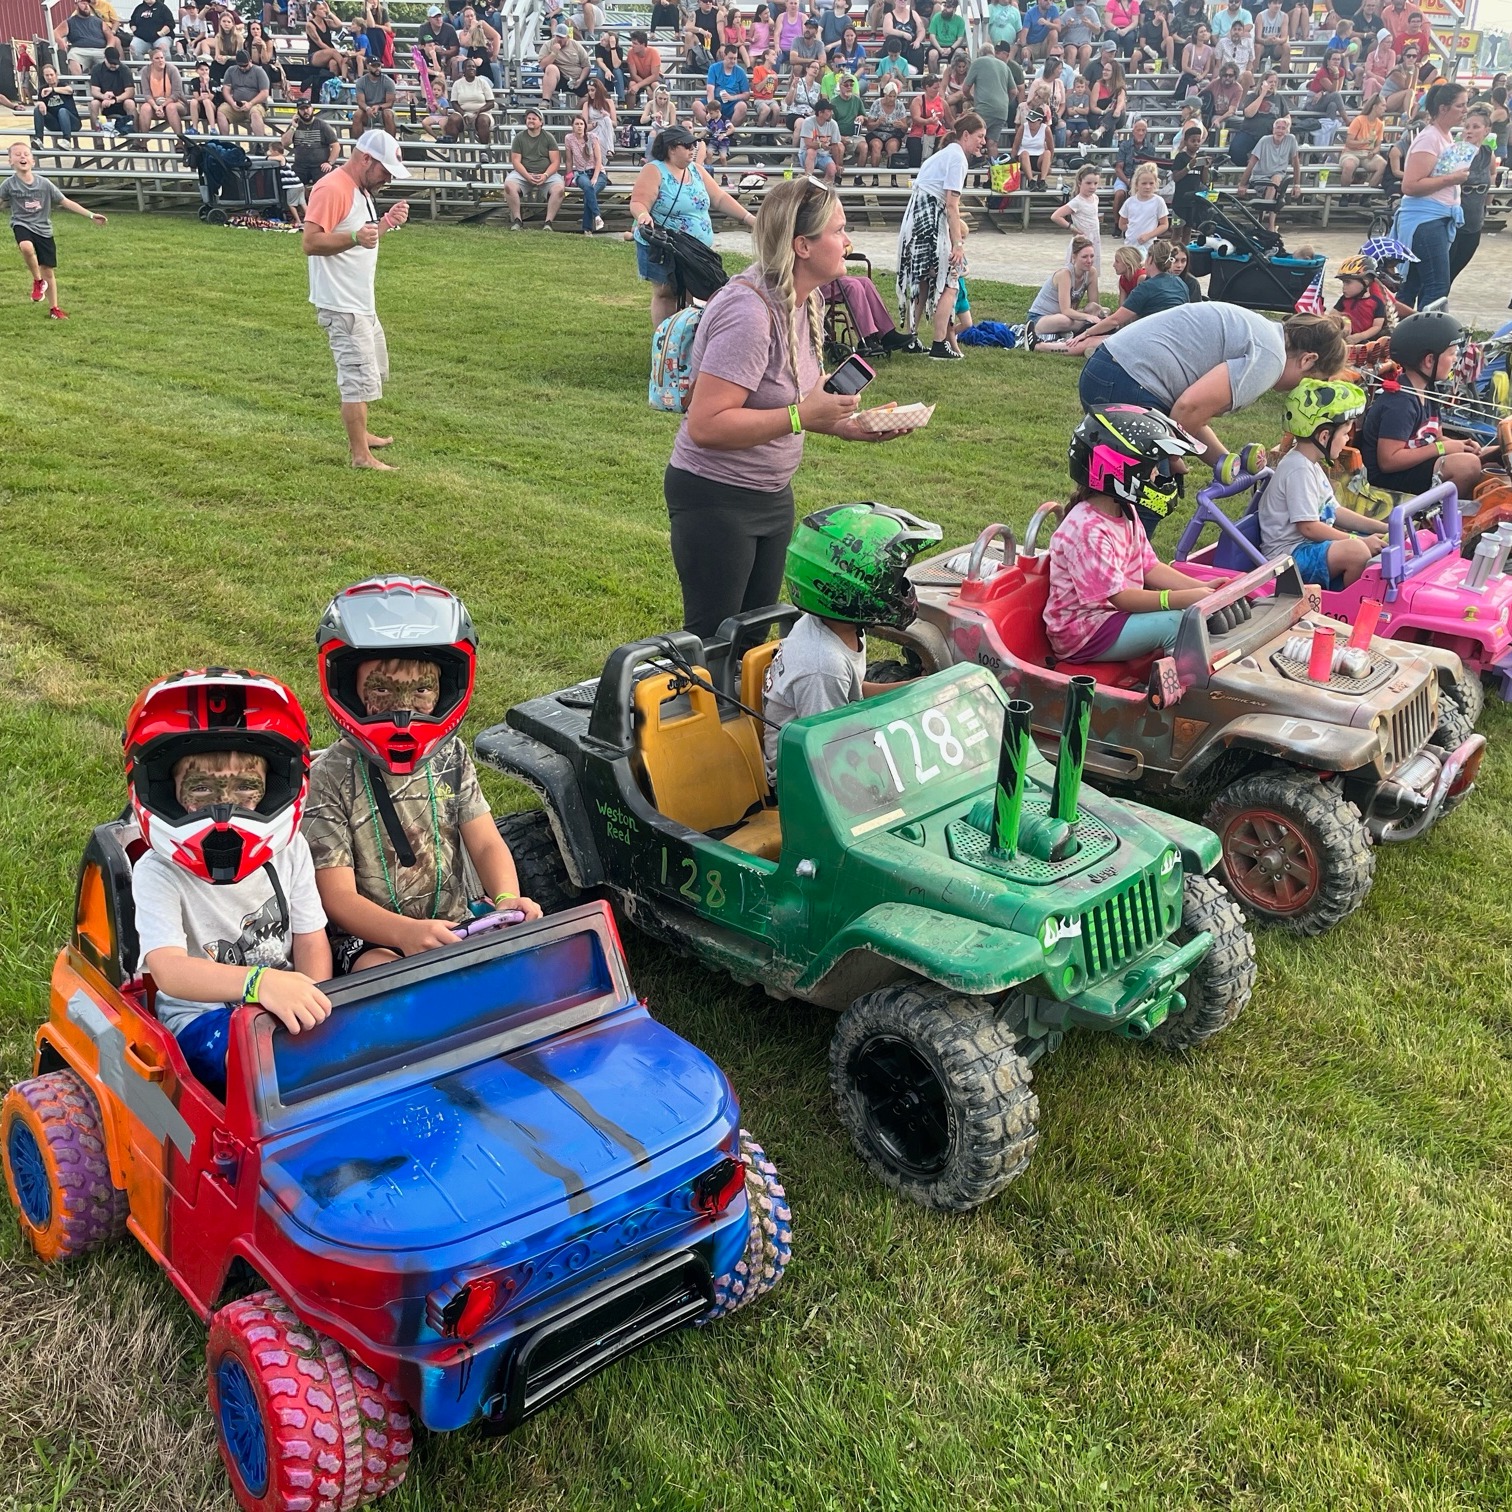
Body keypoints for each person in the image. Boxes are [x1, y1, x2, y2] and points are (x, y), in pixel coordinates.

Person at [665, 178, 909, 639]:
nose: (848, 240)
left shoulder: (804, 300)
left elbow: (793, 395)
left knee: (754, 638)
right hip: (715, 497)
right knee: (714, 641)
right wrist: (802, 417)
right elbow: (706, 425)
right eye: (838, 230)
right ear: (802, 246)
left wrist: (844, 424)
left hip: (771, 494)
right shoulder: (749, 313)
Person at [303, 579, 541, 976]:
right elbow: (337, 897)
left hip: (452, 923)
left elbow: (484, 842)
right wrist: (405, 934)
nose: (402, 709)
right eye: (381, 689)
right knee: (382, 976)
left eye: (421, 690)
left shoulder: (451, 755)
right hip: (369, 939)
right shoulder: (328, 777)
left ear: (444, 690)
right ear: (347, 685)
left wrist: (506, 900)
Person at [123, 670, 332, 1099]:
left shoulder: (291, 851)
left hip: (279, 1003)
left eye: (246, 787)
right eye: (201, 788)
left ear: (274, 787)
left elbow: (312, 940)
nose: (223, 807)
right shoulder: (157, 871)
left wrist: (316, 1001)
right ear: (167, 790)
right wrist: (260, 984)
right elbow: (170, 972)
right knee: (264, 1066)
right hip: (199, 1022)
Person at [1079, 306, 1349, 526]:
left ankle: (1099, 569)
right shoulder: (1271, 359)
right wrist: (1173, 457)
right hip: (1127, 379)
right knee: (1148, 501)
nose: (1304, 387)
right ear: (1307, 360)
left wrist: (1227, 463)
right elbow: (1187, 410)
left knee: (1115, 493)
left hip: (1116, 370)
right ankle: (1123, 583)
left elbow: (1193, 416)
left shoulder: (1267, 335)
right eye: (1312, 379)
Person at [762, 503, 941, 782]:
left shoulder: (841, 628)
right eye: (892, 580)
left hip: (830, 747)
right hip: (802, 780)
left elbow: (852, 692)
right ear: (850, 589)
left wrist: (911, 690)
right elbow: (826, 749)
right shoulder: (824, 664)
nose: (902, 589)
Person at [1046, 407, 1212, 662]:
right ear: (1120, 469)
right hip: (1083, 633)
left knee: (1199, 616)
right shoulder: (1087, 530)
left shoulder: (1125, 510)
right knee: (1177, 624)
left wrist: (1205, 589)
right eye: (1151, 467)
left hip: (1110, 619)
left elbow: (1149, 566)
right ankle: (1176, 695)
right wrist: (1181, 599)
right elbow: (1120, 597)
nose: (1157, 474)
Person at [302, 129, 410, 469]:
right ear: (366, 159)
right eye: (385, 171)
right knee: (355, 378)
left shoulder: (360, 188)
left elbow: (362, 235)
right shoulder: (333, 187)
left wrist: (387, 222)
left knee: (368, 372)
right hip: (342, 303)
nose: (388, 179)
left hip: (360, 300)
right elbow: (311, 242)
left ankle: (362, 435)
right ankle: (360, 455)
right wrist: (352, 236)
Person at [1260, 379, 1385, 587]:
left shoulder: (1310, 464)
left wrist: (1383, 527)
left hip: (1307, 548)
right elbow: (1309, 528)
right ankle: (1343, 609)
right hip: (1287, 559)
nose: (1347, 440)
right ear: (1325, 436)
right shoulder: (1298, 469)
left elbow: (1334, 511)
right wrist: (1358, 541)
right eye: (1345, 434)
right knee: (1357, 552)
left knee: (1364, 544)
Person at [630, 125, 754, 326]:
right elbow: (638, 202)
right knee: (665, 293)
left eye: (694, 144)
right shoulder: (654, 170)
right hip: (665, 246)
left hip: (696, 250)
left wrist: (749, 218)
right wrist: (643, 215)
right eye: (687, 145)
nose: (692, 149)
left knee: (698, 293)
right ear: (671, 148)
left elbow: (719, 198)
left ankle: (689, 340)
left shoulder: (696, 170)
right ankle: (665, 345)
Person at [1360, 312, 1491, 499]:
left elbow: (1434, 438)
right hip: (1387, 479)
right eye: (1452, 354)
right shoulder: (1401, 402)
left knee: (1490, 460)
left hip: (1413, 467)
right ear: (1429, 360)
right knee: (1467, 466)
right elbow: (1388, 461)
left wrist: (1459, 445)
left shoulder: (1428, 390)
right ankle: (1437, 519)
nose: (1455, 360)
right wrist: (1442, 449)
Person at [897, 115, 990, 360]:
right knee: (950, 280)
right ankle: (939, 345)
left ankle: (911, 338)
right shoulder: (958, 158)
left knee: (924, 282)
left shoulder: (946, 153)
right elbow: (951, 204)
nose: (983, 141)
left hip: (916, 218)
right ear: (966, 135)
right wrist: (958, 244)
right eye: (980, 136)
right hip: (928, 220)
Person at [2, 142, 106, 321]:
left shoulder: (44, 183)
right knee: (26, 247)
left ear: (33, 160)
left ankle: (54, 308)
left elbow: (65, 201)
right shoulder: (9, 185)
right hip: (22, 225)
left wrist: (90, 215)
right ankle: (37, 281)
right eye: (17, 154)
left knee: (48, 270)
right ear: (10, 161)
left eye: (26, 154)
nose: (22, 157)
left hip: (43, 230)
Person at [1393, 81, 1468, 309]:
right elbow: (1410, 185)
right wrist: (1452, 179)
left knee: (1413, 284)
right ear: (1443, 108)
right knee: (1436, 286)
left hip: (1435, 217)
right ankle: (1425, 338)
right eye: (1460, 105)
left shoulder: (1444, 136)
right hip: (1425, 220)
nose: (1465, 110)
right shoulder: (1430, 138)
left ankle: (1397, 335)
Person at [1062, 238, 1187, 354]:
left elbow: (1115, 319)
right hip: (1178, 339)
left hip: (1153, 340)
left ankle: (1044, 345)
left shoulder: (1146, 286)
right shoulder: (1180, 283)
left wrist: (1086, 334)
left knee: (1090, 341)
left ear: (1150, 260)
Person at [1448, 103, 1497, 291]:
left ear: (1486, 130)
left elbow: (1492, 175)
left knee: (1454, 272)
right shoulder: (1456, 152)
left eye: (1475, 127)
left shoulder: (1487, 154)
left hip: (1475, 223)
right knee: (1442, 275)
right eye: (1467, 127)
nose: (1469, 131)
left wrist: (1487, 198)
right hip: (1454, 222)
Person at [1024, 234, 1105, 346]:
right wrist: (1088, 317)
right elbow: (1066, 310)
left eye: (1092, 256)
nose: (1089, 260)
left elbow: (1094, 304)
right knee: (1065, 320)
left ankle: (1086, 328)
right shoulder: (1065, 274)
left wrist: (1096, 314)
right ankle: (1088, 329)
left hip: (1069, 316)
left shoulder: (1091, 273)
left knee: (1095, 308)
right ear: (1074, 257)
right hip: (1040, 318)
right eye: (1084, 257)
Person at [505, 105, 564, 231]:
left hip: (546, 174)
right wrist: (527, 176)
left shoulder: (548, 137)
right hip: (523, 173)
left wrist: (545, 175)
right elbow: (516, 161)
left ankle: (548, 222)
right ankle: (517, 220)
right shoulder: (519, 137)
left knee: (559, 189)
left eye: (534, 118)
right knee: (509, 186)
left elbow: (555, 162)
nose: (531, 120)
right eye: (529, 118)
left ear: (541, 122)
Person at [1238, 112, 1300, 231]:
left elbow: (1296, 162)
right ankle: (1269, 224)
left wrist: (1297, 185)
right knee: (1276, 189)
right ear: (1273, 129)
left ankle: (1263, 220)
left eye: (1283, 128)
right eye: (1278, 128)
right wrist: (1242, 184)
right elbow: (1252, 162)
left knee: (1276, 181)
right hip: (1260, 177)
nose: (1280, 131)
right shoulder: (1264, 140)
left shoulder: (1291, 140)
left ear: (1287, 131)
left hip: (1278, 177)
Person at [964, 39, 1022, 152]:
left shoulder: (978, 62)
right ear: (993, 52)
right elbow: (1014, 91)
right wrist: (1006, 102)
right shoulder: (1005, 66)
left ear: (981, 54)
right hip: (1001, 111)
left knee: (972, 137)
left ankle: (976, 161)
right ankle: (994, 168)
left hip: (984, 108)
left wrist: (971, 98)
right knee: (992, 143)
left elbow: (965, 88)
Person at [1051, 163, 1103, 270]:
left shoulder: (1095, 198)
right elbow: (1056, 216)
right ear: (1080, 182)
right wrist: (1072, 228)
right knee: (1077, 269)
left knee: (1091, 268)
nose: (1092, 187)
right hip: (1082, 239)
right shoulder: (1077, 202)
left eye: (1095, 183)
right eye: (1088, 183)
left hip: (1094, 238)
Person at [562, 115, 608, 232]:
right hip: (581, 173)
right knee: (588, 187)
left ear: (585, 126)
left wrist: (595, 177)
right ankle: (597, 216)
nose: (579, 126)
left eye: (581, 124)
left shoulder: (593, 137)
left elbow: (599, 160)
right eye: (576, 124)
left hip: (598, 172)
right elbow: (568, 159)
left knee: (589, 191)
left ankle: (587, 229)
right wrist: (568, 176)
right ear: (572, 126)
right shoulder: (569, 138)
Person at [1332, 254, 1390, 342]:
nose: (1344, 287)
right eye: (1343, 283)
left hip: (1367, 341)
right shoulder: (1344, 299)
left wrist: (1360, 337)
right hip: (1346, 339)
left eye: (1348, 282)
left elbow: (1377, 326)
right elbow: (1332, 315)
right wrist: (1345, 320)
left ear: (1365, 282)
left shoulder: (1376, 303)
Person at [283, 96, 340, 184]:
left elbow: (336, 146)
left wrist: (329, 163)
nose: (305, 111)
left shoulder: (322, 125)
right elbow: (284, 143)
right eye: (302, 109)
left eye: (307, 108)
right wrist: (293, 127)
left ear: (312, 108)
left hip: (320, 166)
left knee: (326, 184)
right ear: (298, 111)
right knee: (290, 184)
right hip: (300, 167)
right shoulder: (294, 125)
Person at [219, 47, 270, 134]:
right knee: (221, 111)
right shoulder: (231, 70)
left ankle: (260, 143)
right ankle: (225, 141)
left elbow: (264, 92)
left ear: (250, 61)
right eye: (240, 66)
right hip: (236, 104)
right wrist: (232, 103)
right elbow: (226, 89)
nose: (243, 68)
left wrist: (250, 103)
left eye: (245, 65)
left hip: (255, 104)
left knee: (255, 113)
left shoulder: (259, 71)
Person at [1340, 93, 1388, 186]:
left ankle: (1367, 194)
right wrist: (1364, 141)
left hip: (1367, 154)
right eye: (1383, 105)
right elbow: (1349, 142)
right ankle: (1344, 195)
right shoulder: (1359, 120)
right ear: (1374, 106)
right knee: (1349, 166)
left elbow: (1378, 145)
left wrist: (1374, 152)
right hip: (1351, 152)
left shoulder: (1380, 124)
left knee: (1383, 165)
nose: (1385, 109)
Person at [1118, 162, 1169, 248]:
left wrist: (1149, 235)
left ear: (1155, 183)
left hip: (1149, 245)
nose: (1147, 187)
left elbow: (1164, 224)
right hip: (1130, 245)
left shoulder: (1158, 201)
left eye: (1151, 183)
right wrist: (1133, 229)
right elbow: (1122, 224)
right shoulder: (1129, 202)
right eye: (1144, 183)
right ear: (1137, 184)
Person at [698, 42, 750, 126]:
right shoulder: (714, 68)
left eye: (735, 58)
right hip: (716, 100)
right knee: (696, 105)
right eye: (730, 58)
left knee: (742, 106)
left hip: (732, 103)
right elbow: (710, 89)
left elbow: (746, 95)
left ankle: (728, 132)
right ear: (724, 56)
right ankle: (712, 130)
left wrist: (732, 97)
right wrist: (711, 108)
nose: (733, 61)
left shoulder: (740, 71)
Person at [56, 0, 115, 74]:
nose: (86, 6)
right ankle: (79, 82)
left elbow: (110, 36)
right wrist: (61, 42)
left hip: (100, 50)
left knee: (110, 59)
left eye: (87, 3)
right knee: (72, 56)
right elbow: (56, 33)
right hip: (79, 50)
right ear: (76, 6)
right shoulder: (69, 22)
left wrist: (109, 46)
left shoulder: (99, 21)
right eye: (83, 3)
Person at [31, 65, 83, 144]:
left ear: (56, 75)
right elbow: (39, 101)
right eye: (47, 75)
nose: (49, 77)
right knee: (37, 109)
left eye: (51, 75)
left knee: (62, 111)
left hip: (72, 123)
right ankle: (39, 139)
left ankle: (67, 140)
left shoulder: (63, 85)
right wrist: (40, 103)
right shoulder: (42, 89)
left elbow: (69, 90)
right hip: (55, 123)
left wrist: (52, 90)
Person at [797, 96, 845, 182]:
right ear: (820, 113)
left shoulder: (833, 124)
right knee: (812, 151)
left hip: (824, 155)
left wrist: (838, 164)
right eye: (829, 111)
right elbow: (808, 144)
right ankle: (808, 180)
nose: (831, 113)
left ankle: (823, 190)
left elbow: (834, 145)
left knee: (832, 170)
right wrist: (821, 145)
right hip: (806, 155)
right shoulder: (808, 122)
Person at [89, 46, 134, 134]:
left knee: (130, 103)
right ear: (105, 58)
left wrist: (115, 99)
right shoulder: (97, 69)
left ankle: (134, 136)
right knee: (94, 104)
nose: (113, 65)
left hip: (121, 103)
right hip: (104, 104)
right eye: (111, 63)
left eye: (115, 63)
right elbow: (94, 90)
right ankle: (98, 139)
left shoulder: (124, 70)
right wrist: (103, 96)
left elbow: (130, 92)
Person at [1012, 102, 1054, 191]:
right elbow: (1015, 146)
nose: (1030, 123)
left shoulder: (1046, 129)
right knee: (1024, 153)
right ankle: (1031, 181)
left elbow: (1051, 148)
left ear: (1039, 121)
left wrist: (1049, 163)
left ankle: (1042, 180)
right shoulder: (1023, 127)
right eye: (1029, 120)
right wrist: (1012, 161)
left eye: (1033, 121)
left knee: (1047, 152)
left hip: (1038, 158)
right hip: (1023, 157)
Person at [352, 56, 397, 136]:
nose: (377, 69)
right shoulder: (361, 82)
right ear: (367, 66)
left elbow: (390, 103)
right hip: (367, 111)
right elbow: (360, 101)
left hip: (383, 110)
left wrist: (378, 107)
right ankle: (358, 144)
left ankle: (391, 143)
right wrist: (367, 108)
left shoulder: (388, 81)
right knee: (357, 115)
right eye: (374, 66)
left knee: (388, 114)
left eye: (378, 66)